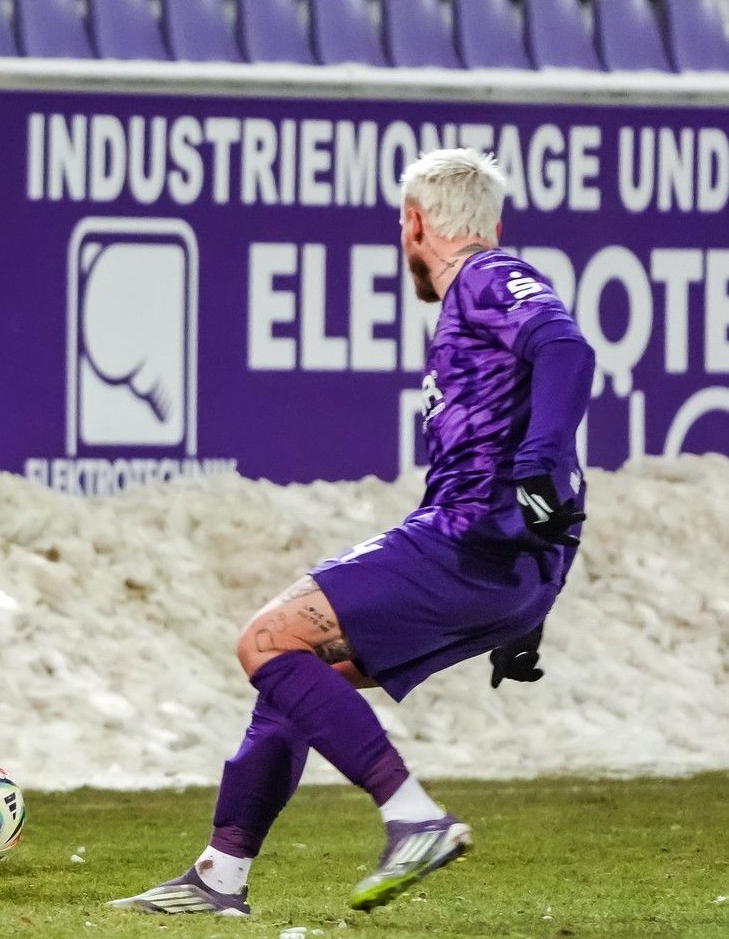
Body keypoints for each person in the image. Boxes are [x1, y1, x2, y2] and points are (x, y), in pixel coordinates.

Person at [114, 147, 594, 916]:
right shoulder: (475, 304)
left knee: (265, 641)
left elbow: (567, 347)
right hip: (508, 568)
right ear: (494, 220)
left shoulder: (483, 275)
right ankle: (220, 876)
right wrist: (527, 607)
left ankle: (413, 819)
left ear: (413, 223)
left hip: (466, 539)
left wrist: (536, 464)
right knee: (300, 680)